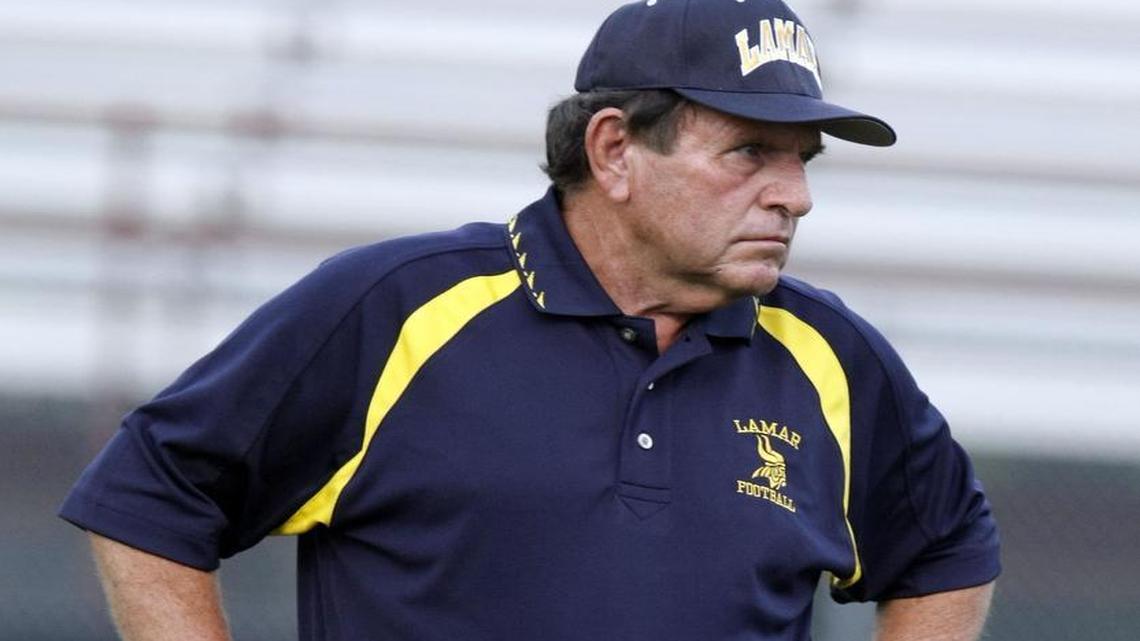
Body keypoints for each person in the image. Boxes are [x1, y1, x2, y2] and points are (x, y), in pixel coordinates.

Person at [61, 1, 1000, 640]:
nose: (793, 196)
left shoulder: (830, 355)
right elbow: (151, 492)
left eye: (802, 160)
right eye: (750, 150)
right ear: (614, 150)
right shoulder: (400, 308)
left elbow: (946, 547)